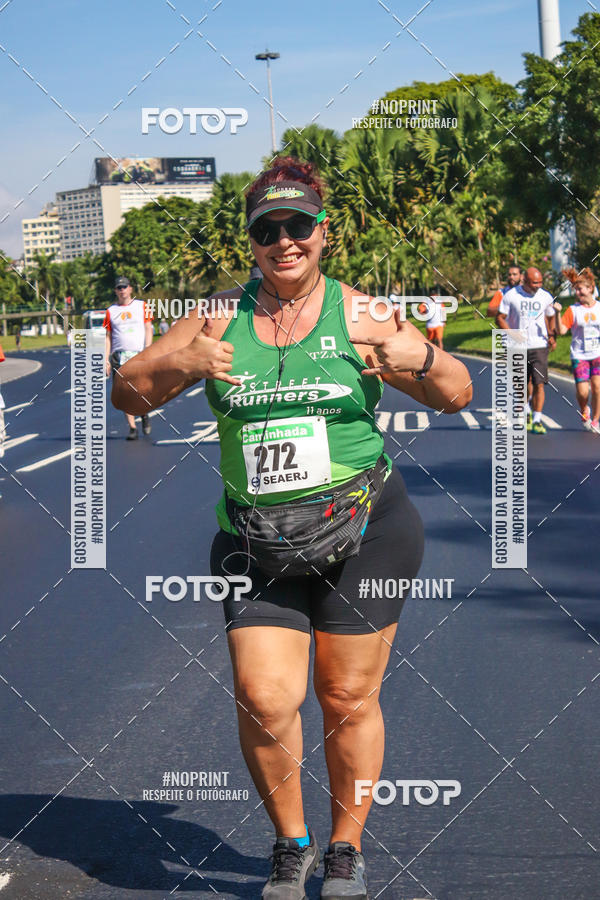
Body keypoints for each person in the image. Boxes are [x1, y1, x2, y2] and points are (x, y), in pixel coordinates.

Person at [111, 157, 472, 899]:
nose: (284, 241)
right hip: (256, 537)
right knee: (266, 696)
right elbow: (127, 397)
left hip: (366, 529)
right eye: (267, 229)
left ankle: (346, 847)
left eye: (298, 226)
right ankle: (292, 840)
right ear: (251, 241)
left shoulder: (365, 315)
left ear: (322, 233)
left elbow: (456, 391)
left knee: (346, 698)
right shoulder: (215, 318)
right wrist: (175, 361)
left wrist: (423, 356)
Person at [496, 266, 556, 435]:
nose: (537, 285)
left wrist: (551, 335)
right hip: (516, 347)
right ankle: (526, 409)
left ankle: (537, 420)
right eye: (534, 283)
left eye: (540, 282)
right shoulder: (511, 296)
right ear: (525, 281)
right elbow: (499, 318)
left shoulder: (545, 296)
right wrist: (513, 334)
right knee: (521, 384)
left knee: (539, 383)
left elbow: (550, 316)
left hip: (538, 345)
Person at [104, 276, 154, 440]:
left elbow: (148, 327)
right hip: (119, 355)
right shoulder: (111, 311)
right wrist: (106, 359)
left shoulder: (142, 306)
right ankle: (132, 428)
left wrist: (148, 350)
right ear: (115, 291)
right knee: (124, 392)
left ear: (130, 289)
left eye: (124, 287)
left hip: (138, 353)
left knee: (140, 390)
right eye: (119, 288)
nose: (122, 290)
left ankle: (144, 414)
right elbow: (108, 336)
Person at [554, 267, 600, 433]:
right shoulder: (573, 310)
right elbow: (561, 331)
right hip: (579, 355)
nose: (578, 292)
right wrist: (557, 314)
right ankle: (584, 408)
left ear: (590, 288)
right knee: (582, 391)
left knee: (597, 387)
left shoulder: (599, 308)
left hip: (598, 354)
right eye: (576, 289)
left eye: (580, 289)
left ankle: (595, 420)